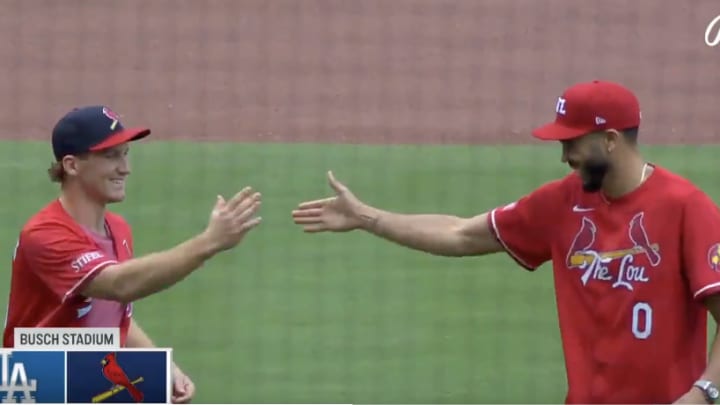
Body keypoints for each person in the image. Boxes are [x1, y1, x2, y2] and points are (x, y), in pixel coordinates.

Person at [291, 80, 720, 404]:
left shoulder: (685, 208)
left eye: (572, 142)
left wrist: (704, 393)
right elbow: (461, 233)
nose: (564, 156)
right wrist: (367, 217)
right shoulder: (561, 204)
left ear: (610, 141)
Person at [3, 105, 262, 403]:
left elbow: (114, 317)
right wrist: (208, 242)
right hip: (33, 379)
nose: (125, 168)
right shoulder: (45, 234)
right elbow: (119, 284)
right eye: (110, 156)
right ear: (72, 165)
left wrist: (161, 366)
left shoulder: (118, 229)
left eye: (125, 154)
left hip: (79, 370)